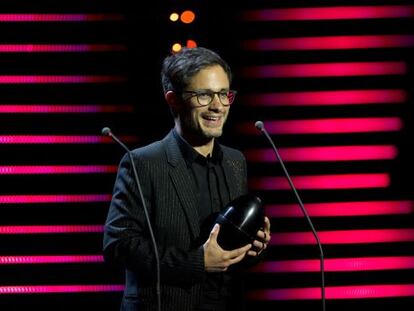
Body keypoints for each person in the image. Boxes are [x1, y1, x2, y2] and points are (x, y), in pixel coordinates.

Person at [103, 47, 271, 311]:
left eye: (224, 94)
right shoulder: (143, 163)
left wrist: (252, 248)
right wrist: (198, 262)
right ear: (173, 100)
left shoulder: (235, 161)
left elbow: (227, 251)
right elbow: (119, 246)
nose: (218, 106)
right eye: (204, 95)